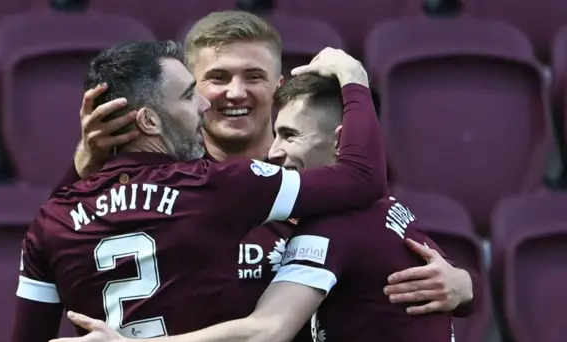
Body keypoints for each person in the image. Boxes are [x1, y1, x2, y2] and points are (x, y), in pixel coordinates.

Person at [60, 10, 478, 321]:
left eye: (253, 76)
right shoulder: (154, 189)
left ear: (278, 87)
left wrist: (462, 285)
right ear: (192, 90)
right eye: (218, 77)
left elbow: (410, 251)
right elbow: (55, 245)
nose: (235, 93)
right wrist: (84, 163)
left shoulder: (327, 181)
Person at [38, 69, 456, 342]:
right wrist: (466, 288)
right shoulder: (392, 211)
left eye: (290, 135)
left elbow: (262, 337)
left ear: (343, 142)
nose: (274, 151)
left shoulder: (333, 225)